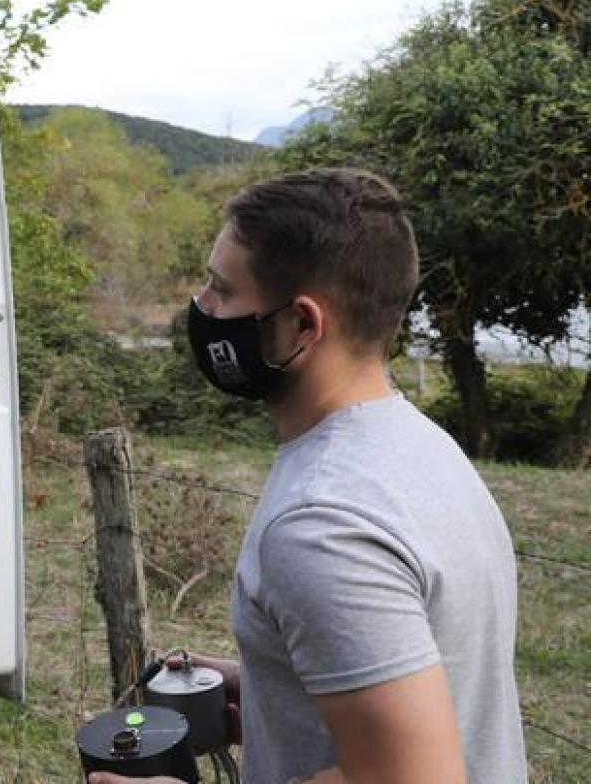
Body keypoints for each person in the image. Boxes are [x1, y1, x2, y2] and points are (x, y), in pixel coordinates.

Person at [91, 169, 525, 784]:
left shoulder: (319, 524)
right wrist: (272, 681)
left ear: (300, 325)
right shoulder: (421, 448)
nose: (202, 308)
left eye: (221, 288)